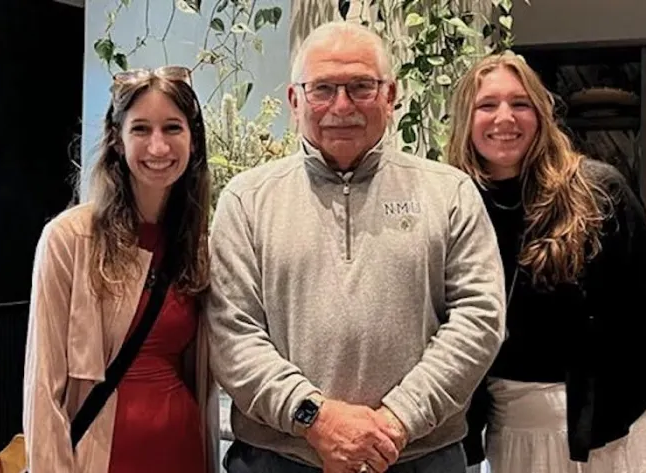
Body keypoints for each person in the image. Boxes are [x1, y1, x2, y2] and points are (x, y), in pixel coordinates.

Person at [206, 21, 506, 473]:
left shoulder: (449, 193)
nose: (342, 106)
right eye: (322, 89)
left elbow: (479, 319)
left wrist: (397, 421)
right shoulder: (247, 200)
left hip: (419, 458)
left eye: (361, 87)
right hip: (279, 460)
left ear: (390, 95)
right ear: (294, 100)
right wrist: (315, 419)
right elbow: (233, 334)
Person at [446, 52, 646, 473]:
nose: (505, 117)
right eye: (487, 105)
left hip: (616, 432)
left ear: (542, 113)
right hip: (511, 435)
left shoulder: (599, 191)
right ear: (465, 118)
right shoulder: (452, 205)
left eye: (520, 103)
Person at [23, 66, 219, 473]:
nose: (158, 147)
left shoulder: (199, 244)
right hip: (99, 458)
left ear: (193, 139)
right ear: (117, 138)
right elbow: (43, 389)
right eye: (141, 129)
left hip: (182, 451)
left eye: (172, 128)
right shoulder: (69, 239)